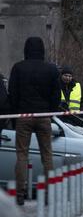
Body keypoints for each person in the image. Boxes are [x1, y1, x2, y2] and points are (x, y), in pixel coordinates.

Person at [8, 37, 60, 205]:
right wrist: (49, 111)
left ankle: (20, 194)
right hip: (44, 116)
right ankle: (49, 193)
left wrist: (17, 112)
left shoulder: (18, 68)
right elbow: (56, 95)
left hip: (24, 116)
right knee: (47, 155)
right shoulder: (51, 69)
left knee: (22, 154)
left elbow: (13, 93)